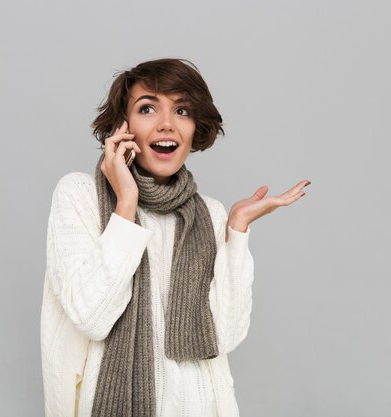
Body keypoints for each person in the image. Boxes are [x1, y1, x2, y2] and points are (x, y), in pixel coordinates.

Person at [40, 58, 310, 417]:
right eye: (147, 108)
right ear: (124, 126)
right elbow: (92, 317)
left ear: (195, 127)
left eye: (182, 110)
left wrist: (237, 229)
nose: (166, 124)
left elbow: (224, 337)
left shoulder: (209, 214)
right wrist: (125, 204)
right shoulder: (80, 196)